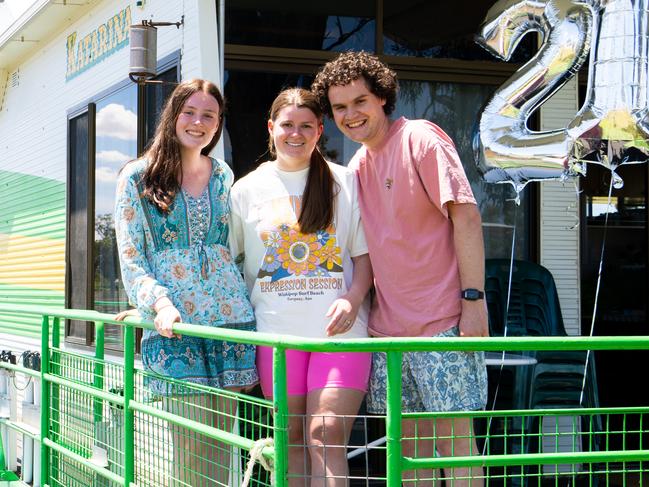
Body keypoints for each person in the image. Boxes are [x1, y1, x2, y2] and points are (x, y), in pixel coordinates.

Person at [312, 52, 489, 486]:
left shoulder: (421, 138)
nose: (351, 115)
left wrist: (473, 301)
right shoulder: (357, 167)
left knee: (456, 446)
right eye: (340, 107)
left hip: (443, 324)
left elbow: (466, 217)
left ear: (383, 99)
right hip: (388, 334)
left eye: (360, 101)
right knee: (406, 453)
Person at [114, 78, 257, 486]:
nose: (198, 122)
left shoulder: (224, 176)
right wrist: (155, 302)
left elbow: (235, 250)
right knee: (190, 445)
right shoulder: (137, 177)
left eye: (208, 115)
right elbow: (131, 257)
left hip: (230, 326)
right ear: (173, 116)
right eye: (189, 112)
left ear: (218, 124)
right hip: (178, 327)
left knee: (222, 443)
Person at [229, 87, 373, 487]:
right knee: (290, 438)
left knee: (325, 436)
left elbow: (364, 257)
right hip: (276, 337)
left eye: (306, 126)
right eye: (287, 125)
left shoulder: (346, 182)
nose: (296, 134)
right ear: (271, 128)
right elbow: (230, 264)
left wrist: (354, 297)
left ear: (320, 130)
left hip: (341, 337)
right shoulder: (245, 190)